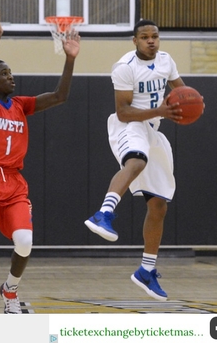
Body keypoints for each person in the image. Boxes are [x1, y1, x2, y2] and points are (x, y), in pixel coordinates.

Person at [0, 9, 80, 314]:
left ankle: (10, 291)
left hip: (13, 183)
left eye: (11, 72)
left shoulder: (19, 105)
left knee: (25, 241)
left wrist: (70, 59)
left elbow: (59, 96)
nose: (10, 76)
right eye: (4, 73)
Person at [84, 19, 192, 301]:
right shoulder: (125, 67)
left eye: (155, 36)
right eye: (144, 37)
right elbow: (123, 112)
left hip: (153, 128)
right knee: (136, 162)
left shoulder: (166, 61)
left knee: (159, 206)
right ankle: (103, 213)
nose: (151, 40)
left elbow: (182, 93)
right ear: (135, 41)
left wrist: (188, 104)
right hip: (129, 125)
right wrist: (161, 111)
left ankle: (146, 270)